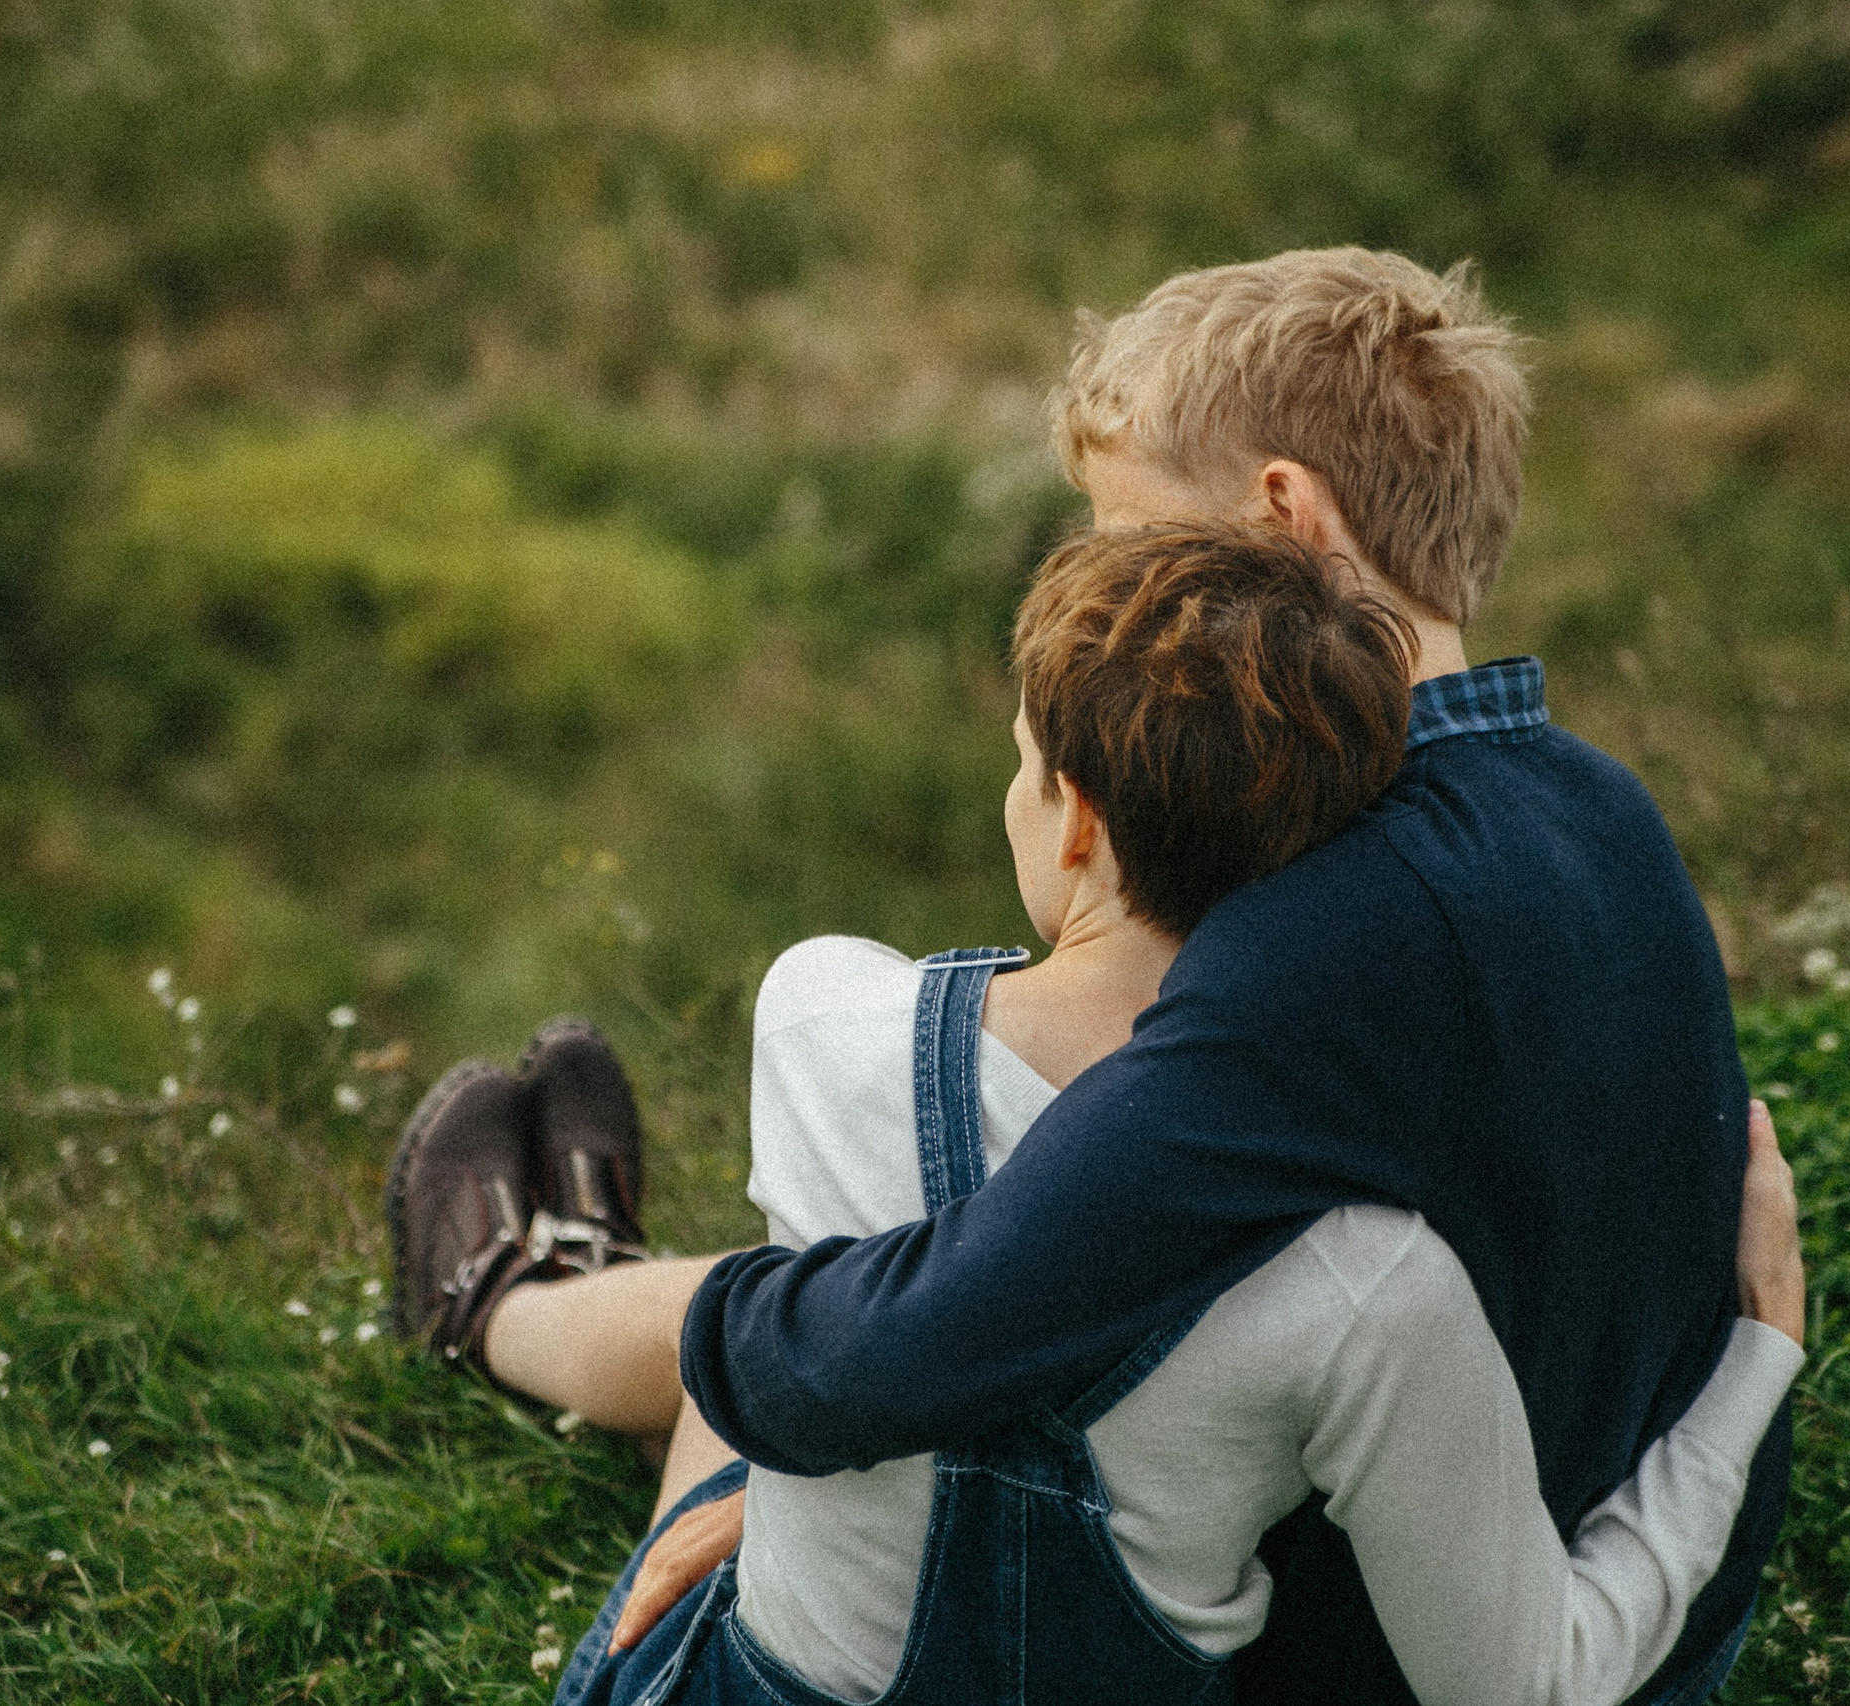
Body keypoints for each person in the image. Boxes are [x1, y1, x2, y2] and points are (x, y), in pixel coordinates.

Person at [388, 520, 1807, 1706]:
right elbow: (1528, 1688)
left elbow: (872, 1346)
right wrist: (1748, 1372)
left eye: (1023, 761)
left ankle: (509, 1288)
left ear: (1072, 818)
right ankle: (539, 1282)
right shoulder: (1383, 1283)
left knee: (745, 1360)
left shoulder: (829, 1016)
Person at [673, 248, 1792, 1704]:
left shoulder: (1327, 928)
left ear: (1283, 515)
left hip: (1473, 1647)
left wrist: (734, 1344)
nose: (1108, 592)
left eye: (1127, 543)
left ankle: (515, 1278)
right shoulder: (1600, 804)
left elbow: (936, 1329)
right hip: (1681, 1586)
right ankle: (524, 1275)